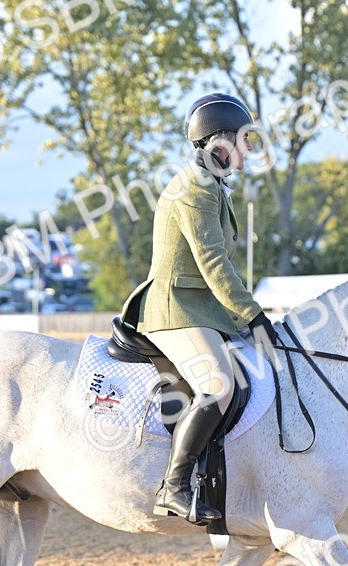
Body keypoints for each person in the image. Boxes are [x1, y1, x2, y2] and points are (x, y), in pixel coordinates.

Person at [119, 93, 276, 524]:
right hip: (176, 308)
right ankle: (175, 485)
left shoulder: (214, 187)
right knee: (219, 384)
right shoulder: (195, 189)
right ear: (220, 141)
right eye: (245, 142)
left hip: (202, 310)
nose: (249, 153)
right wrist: (254, 317)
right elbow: (213, 264)